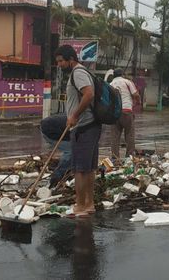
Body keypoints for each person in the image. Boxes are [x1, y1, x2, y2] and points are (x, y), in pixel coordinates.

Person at [54, 44, 101, 218]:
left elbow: (88, 94)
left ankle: (81, 205)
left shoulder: (78, 73)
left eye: (61, 61)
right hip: (90, 125)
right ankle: (88, 203)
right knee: (88, 168)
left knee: (80, 169)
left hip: (83, 126)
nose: (59, 65)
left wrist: (74, 115)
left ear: (70, 59)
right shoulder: (82, 72)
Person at [108, 69, 140, 159]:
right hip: (126, 111)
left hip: (114, 114)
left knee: (115, 137)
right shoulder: (127, 82)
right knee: (129, 135)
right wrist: (138, 102)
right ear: (122, 74)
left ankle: (115, 159)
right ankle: (129, 158)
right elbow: (136, 94)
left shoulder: (110, 85)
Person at [40, 113, 71, 188]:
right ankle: (56, 178)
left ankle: (67, 172)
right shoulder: (83, 124)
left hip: (55, 126)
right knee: (70, 152)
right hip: (49, 130)